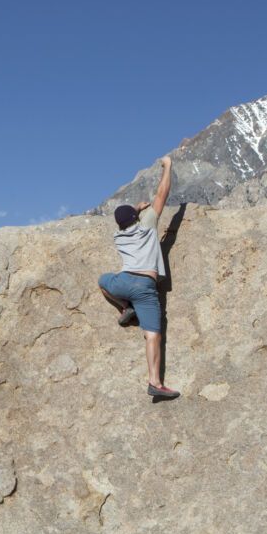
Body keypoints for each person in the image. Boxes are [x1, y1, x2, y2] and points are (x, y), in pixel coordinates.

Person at [98, 156, 180, 400]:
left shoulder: (118, 236)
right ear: (138, 218)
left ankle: (125, 307)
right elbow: (162, 193)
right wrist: (168, 166)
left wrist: (135, 208)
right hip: (145, 286)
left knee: (103, 281)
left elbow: (125, 217)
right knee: (153, 334)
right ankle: (155, 382)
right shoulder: (147, 226)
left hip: (122, 282)